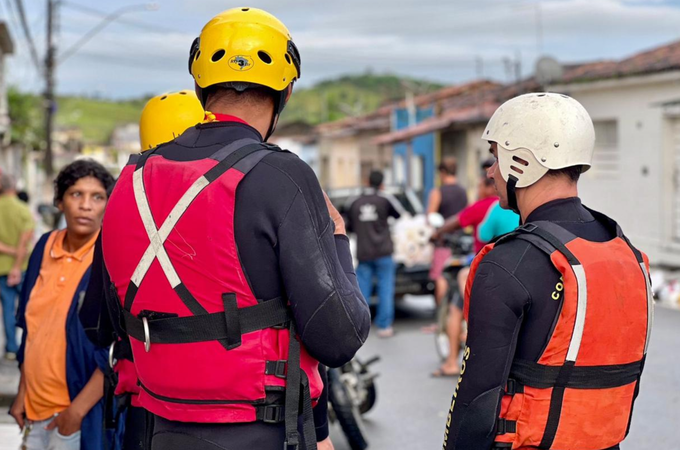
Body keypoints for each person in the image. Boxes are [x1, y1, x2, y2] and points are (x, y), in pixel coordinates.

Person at [99, 7, 370, 450]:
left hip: (157, 427)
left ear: (200, 85)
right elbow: (338, 336)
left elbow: (113, 321)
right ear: (284, 92)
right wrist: (337, 237)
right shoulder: (282, 176)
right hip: (261, 429)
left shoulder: (130, 179)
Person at [442, 93, 653, 450]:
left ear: (522, 162)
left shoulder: (507, 262)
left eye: (496, 157)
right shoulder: (628, 254)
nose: (491, 172)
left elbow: (476, 402)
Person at [78, 90, 205, 450]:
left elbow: (97, 323)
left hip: (148, 404)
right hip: (231, 404)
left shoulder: (125, 198)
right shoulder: (230, 195)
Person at [10, 159, 115, 450]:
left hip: (75, 415)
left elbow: (116, 348)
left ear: (107, 206)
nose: (85, 205)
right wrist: (22, 393)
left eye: (97, 197)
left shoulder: (109, 259)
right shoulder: (44, 246)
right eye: (76, 194)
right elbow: (30, 327)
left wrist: (77, 412)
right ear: (59, 202)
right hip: (34, 408)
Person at [431, 174, 498, 378]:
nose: (478, 190)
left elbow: (473, 230)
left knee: (456, 305)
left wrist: (436, 234)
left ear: (488, 187)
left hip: (484, 265)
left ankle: (452, 361)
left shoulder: (489, 207)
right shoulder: (515, 205)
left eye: (479, 185)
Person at [346, 170, 405, 338]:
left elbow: (347, 225)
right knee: (385, 288)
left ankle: (361, 326)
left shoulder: (354, 201)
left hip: (363, 253)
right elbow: (399, 215)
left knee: (362, 289)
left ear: (367, 181)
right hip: (384, 252)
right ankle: (385, 326)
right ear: (381, 183)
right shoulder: (385, 199)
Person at [426, 158, 467, 323]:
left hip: (444, 243)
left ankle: (441, 321)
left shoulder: (438, 192)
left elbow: (430, 216)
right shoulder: (463, 191)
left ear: (442, 173)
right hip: (462, 242)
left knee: (441, 278)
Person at [0, 172, 34, 360]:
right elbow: (26, 238)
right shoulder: (22, 209)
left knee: (7, 308)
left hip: (2, 268)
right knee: (30, 306)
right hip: (23, 267)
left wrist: (11, 253)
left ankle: (11, 348)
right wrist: (18, 259)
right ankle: (30, 343)